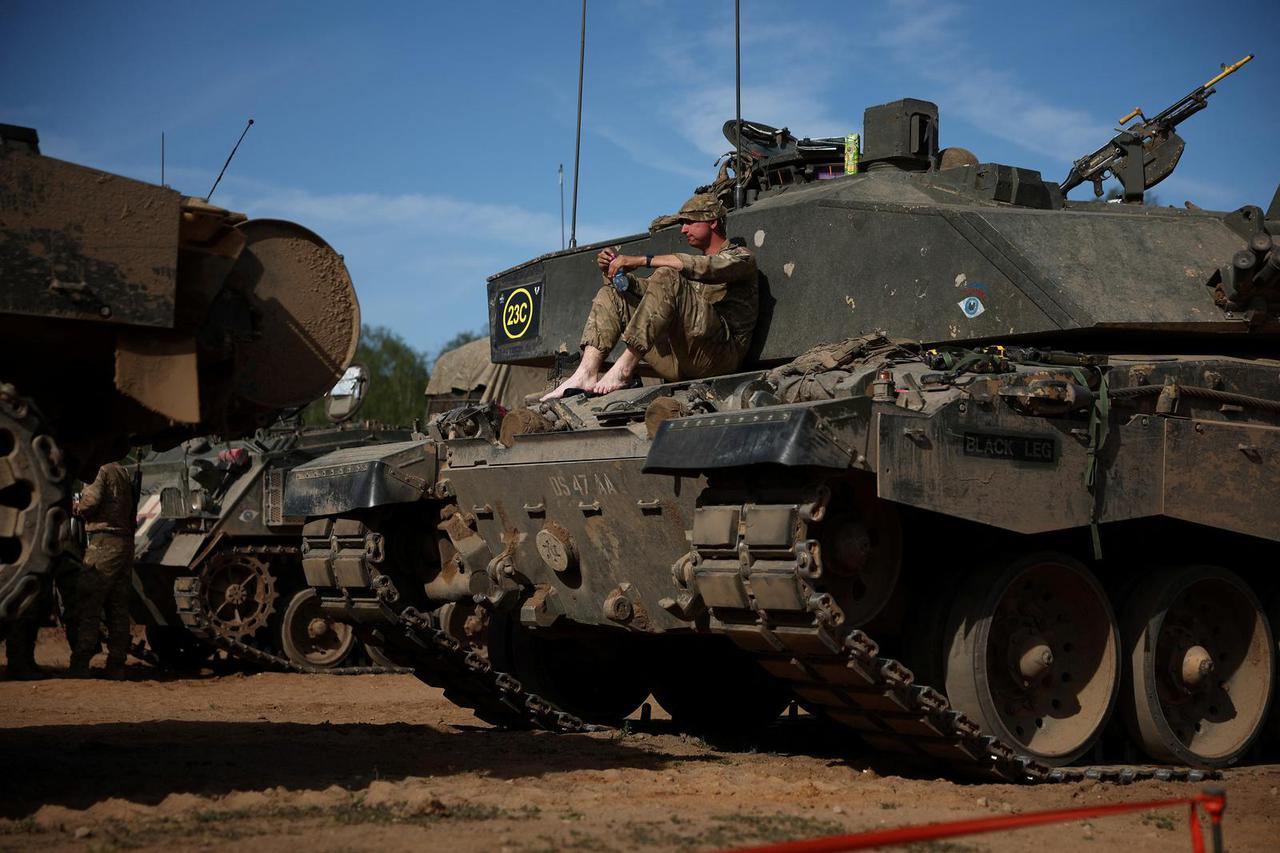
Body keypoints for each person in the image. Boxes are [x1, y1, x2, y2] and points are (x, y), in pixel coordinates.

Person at [543, 192, 758, 400]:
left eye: (690, 222)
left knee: (666, 275)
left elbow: (706, 267)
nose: (683, 229)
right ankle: (586, 373)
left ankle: (625, 368)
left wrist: (640, 260)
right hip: (680, 359)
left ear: (712, 222)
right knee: (611, 294)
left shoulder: (742, 258)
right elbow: (652, 292)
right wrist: (616, 273)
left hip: (719, 356)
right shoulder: (685, 275)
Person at [68, 462, 136, 679]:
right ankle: (116, 664)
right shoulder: (121, 470)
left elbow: (90, 502)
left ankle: (81, 662)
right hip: (124, 542)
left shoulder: (98, 468)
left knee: (89, 603)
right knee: (118, 606)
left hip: (103, 542)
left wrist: (75, 507)